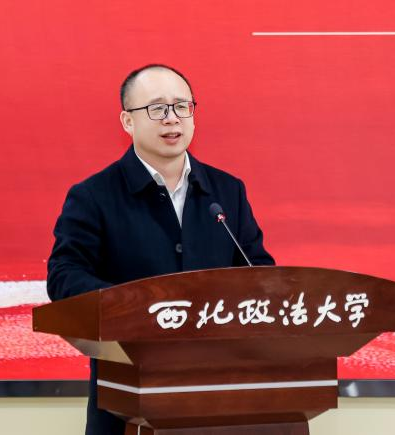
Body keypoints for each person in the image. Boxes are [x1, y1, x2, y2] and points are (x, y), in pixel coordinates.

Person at [46, 64, 275, 435]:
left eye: (182, 106)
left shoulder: (226, 191)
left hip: (219, 394)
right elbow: (64, 277)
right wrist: (136, 307)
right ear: (127, 121)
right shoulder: (93, 196)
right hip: (125, 397)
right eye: (157, 108)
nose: (172, 118)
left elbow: (258, 271)